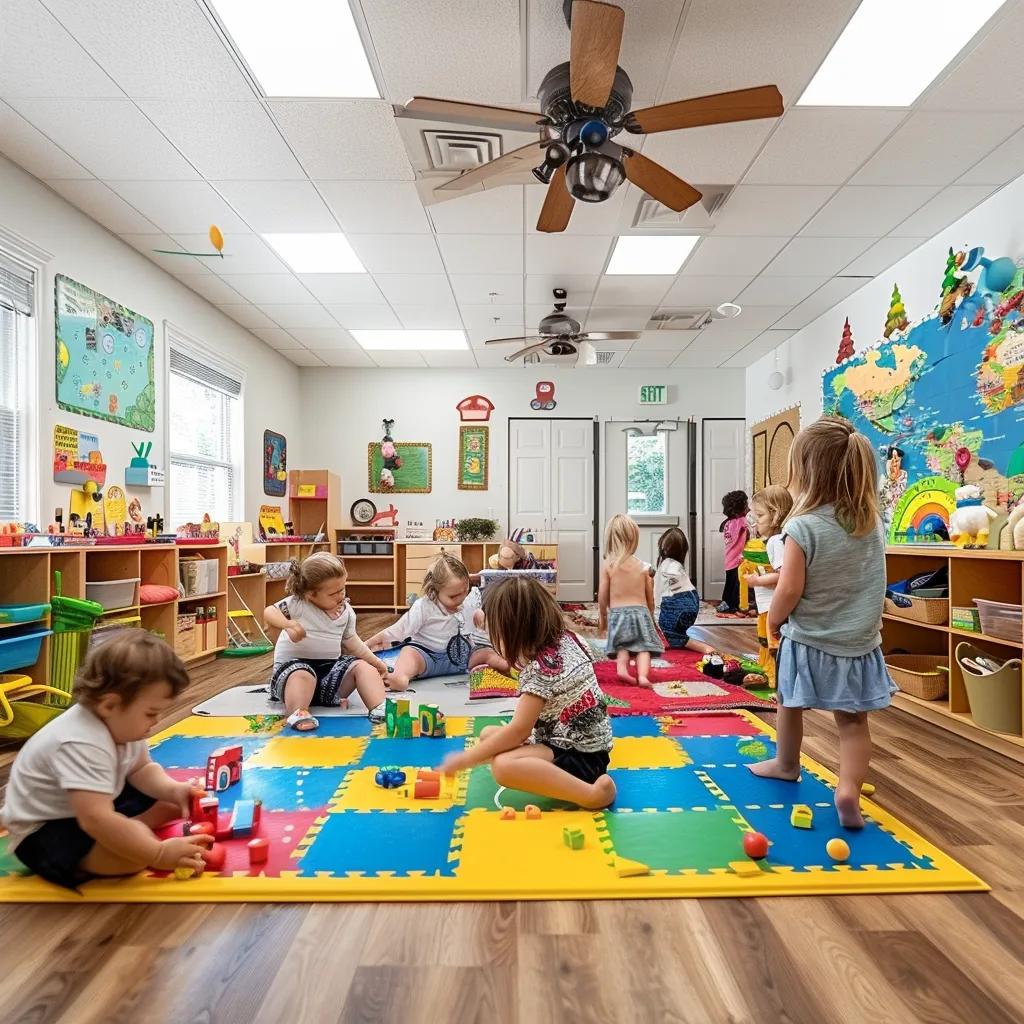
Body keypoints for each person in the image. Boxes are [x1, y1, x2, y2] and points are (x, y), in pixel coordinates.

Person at [749, 417, 897, 828]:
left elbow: (789, 589)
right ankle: (848, 789)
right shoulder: (870, 523)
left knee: (788, 702)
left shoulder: (802, 527)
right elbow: (875, 580)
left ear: (807, 473)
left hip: (808, 639)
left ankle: (786, 764)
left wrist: (774, 620)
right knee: (853, 723)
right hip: (859, 643)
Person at [0, 632, 212, 889]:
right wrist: (157, 854)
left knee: (171, 802)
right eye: (151, 713)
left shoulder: (122, 723)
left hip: (90, 803)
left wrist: (172, 790)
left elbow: (142, 769)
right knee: (130, 861)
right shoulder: (80, 743)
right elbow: (94, 818)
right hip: (45, 828)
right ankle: (125, 833)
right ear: (109, 705)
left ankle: (127, 830)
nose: (156, 721)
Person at [439, 577, 615, 809]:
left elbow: (519, 731)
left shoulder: (541, 671)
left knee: (503, 766)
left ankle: (592, 795)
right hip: (581, 742)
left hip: (581, 757)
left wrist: (465, 760)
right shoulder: (567, 638)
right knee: (488, 736)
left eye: (496, 635)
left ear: (512, 634)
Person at [265, 552, 389, 731]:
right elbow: (270, 612)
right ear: (310, 594)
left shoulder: (346, 612)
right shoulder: (298, 604)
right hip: (292, 676)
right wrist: (289, 624)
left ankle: (379, 707)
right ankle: (298, 712)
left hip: (329, 678)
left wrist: (376, 663)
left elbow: (352, 642)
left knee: (363, 667)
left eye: (343, 589)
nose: (341, 596)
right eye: (334, 593)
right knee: (302, 674)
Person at [367, 552, 505, 687]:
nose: (461, 599)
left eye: (465, 591)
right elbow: (399, 630)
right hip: (427, 656)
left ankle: (509, 667)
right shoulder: (424, 606)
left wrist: (482, 620)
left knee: (487, 653)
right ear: (434, 591)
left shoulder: (470, 599)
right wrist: (369, 644)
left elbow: (481, 632)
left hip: (463, 659)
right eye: (453, 596)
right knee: (409, 653)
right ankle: (398, 677)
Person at [598, 513, 662, 687]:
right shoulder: (644, 567)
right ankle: (643, 676)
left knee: (622, 646)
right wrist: (650, 614)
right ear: (634, 539)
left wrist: (603, 615)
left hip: (618, 614)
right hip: (640, 613)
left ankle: (622, 671)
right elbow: (650, 596)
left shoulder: (609, 566)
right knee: (643, 648)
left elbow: (602, 594)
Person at [742, 485, 794, 687]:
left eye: (760, 515)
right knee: (766, 640)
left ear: (776, 515)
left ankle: (775, 680)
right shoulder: (775, 540)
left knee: (772, 643)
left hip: (773, 606)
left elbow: (783, 575)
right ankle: (769, 673)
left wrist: (756, 581)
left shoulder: (775, 541)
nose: (756, 522)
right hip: (768, 606)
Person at [653, 527, 710, 653]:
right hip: (692, 605)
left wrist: (655, 617)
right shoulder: (678, 566)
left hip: (679, 606)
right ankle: (678, 633)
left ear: (662, 548)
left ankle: (705, 648)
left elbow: (656, 595)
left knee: (671, 634)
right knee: (676, 629)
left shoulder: (665, 565)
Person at [717, 490, 750, 614]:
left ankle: (725, 602)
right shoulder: (741, 521)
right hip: (737, 560)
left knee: (730, 583)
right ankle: (731, 605)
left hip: (729, 559)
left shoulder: (728, 523)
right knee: (735, 585)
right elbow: (751, 526)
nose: (748, 507)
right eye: (746, 504)